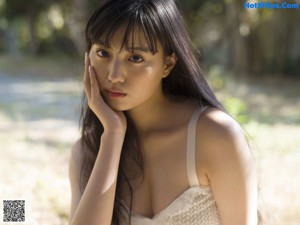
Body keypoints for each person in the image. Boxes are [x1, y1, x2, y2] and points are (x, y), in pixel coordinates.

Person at [68, 0, 258, 224]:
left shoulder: (215, 136)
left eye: (136, 58)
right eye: (102, 53)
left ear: (167, 65)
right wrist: (112, 135)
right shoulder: (87, 152)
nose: (114, 75)